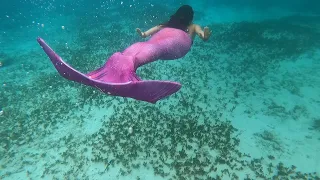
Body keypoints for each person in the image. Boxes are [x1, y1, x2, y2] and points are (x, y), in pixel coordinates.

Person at [37, 5, 211, 104]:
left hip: (172, 44)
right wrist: (143, 34)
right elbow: (199, 35)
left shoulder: (178, 26)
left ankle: (118, 71)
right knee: (144, 47)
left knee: (146, 47)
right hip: (175, 45)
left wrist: (144, 34)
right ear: (189, 17)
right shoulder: (191, 26)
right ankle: (121, 69)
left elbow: (156, 30)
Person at [136, 5, 211, 42]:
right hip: (180, 50)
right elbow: (200, 32)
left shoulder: (171, 25)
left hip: (167, 47)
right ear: (190, 16)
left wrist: (144, 34)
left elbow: (158, 27)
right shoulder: (193, 26)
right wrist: (204, 36)